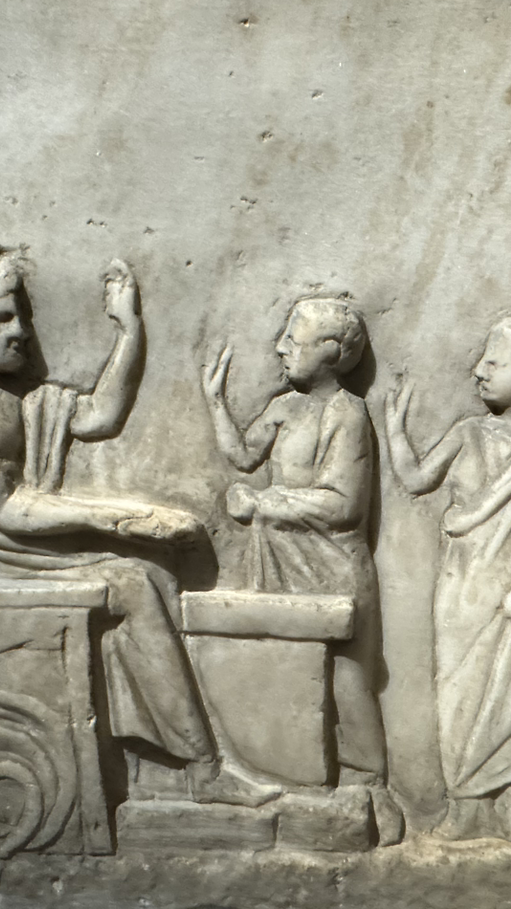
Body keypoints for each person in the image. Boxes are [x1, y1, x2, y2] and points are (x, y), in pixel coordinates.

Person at [0, 245, 277, 806]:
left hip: (19, 542)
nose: (22, 331)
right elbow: (9, 511)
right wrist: (126, 518)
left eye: (22, 316)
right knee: (134, 583)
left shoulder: (8, 397)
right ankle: (203, 769)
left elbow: (100, 415)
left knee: (152, 568)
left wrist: (128, 331)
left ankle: (152, 760)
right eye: (3, 317)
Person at [383, 311, 511, 841]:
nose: (478, 370)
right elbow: (416, 479)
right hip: (463, 593)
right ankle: (468, 808)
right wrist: (395, 431)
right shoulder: (468, 431)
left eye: (494, 362)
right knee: (459, 699)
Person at [202, 295, 402, 843]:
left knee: (346, 681)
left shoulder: (347, 413)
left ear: (332, 352)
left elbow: (343, 504)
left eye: (294, 338)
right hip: (280, 560)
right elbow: (244, 456)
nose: (280, 347)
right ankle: (293, 781)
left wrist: (262, 503)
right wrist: (215, 402)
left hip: (332, 566)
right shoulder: (284, 406)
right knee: (287, 670)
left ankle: (367, 788)